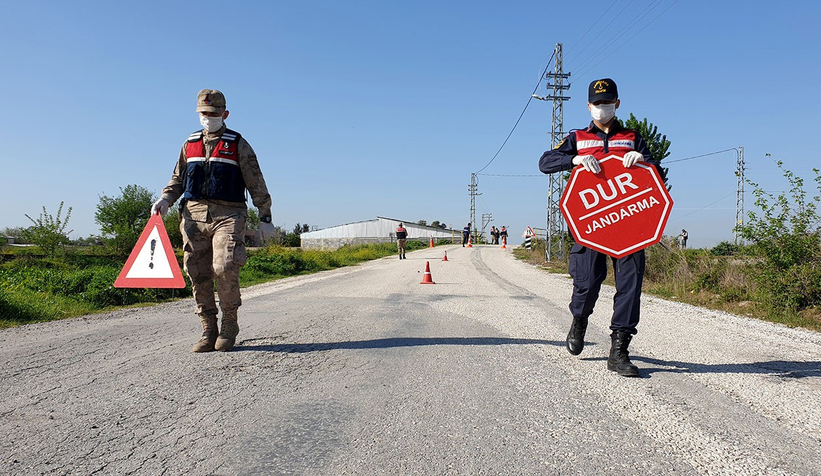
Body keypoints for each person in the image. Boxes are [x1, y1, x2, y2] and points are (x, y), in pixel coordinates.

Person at [538, 78, 661, 377]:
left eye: (607, 103)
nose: (601, 108)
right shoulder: (577, 137)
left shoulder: (633, 137)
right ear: (588, 105)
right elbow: (545, 162)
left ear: (617, 104)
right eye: (596, 103)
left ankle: (619, 350)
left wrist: (644, 159)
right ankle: (579, 320)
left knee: (630, 286)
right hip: (590, 225)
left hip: (629, 226)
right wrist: (575, 159)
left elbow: (656, 171)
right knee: (587, 282)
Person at [151, 89, 276, 353]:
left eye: (213, 113)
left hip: (229, 214)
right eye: (203, 114)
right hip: (194, 216)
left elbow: (256, 181)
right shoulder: (189, 144)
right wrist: (165, 199)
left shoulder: (238, 144)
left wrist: (265, 216)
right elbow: (177, 179)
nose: (208, 118)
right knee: (197, 271)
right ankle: (208, 328)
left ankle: (229, 324)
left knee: (224, 266)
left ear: (224, 114)